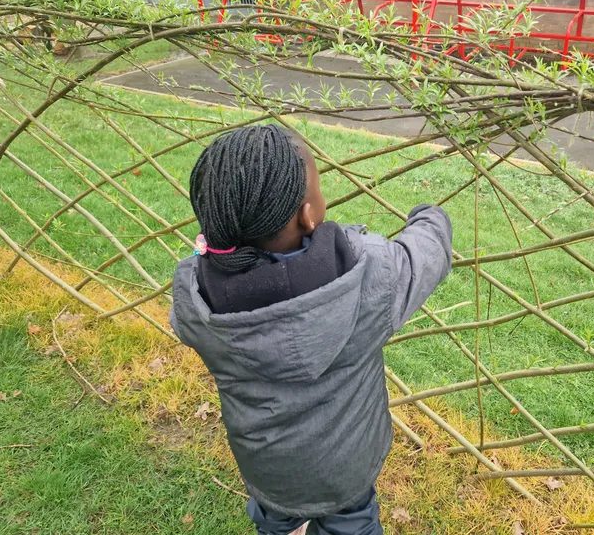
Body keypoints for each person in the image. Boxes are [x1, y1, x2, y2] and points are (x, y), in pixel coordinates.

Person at [170, 124, 453, 535]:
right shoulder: (368, 275)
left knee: (273, 515)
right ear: (308, 215)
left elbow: (182, 321)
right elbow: (426, 254)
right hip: (345, 468)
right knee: (351, 523)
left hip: (267, 466)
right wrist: (430, 216)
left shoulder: (195, 294)